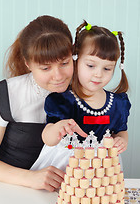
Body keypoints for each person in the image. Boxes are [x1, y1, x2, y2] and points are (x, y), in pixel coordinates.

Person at [0, 15, 82, 192]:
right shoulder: (7, 94)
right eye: (45, 68)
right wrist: (31, 178)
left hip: (54, 196)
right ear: (28, 63)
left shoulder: (86, 91)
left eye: (64, 63)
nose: (58, 76)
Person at [32, 20, 131, 171]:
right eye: (91, 66)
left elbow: (121, 130)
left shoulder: (118, 103)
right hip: (65, 165)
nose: (98, 74)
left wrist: (122, 140)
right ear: (76, 60)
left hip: (101, 167)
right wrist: (58, 129)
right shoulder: (63, 101)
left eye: (107, 68)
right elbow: (47, 138)